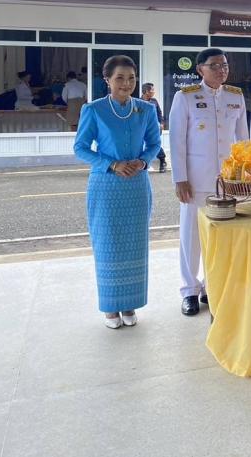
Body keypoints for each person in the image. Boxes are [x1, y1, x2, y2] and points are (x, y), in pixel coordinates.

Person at [73, 55, 161, 329]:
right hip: (106, 186)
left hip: (136, 185)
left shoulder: (145, 109)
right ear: (107, 81)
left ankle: (130, 304)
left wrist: (143, 161)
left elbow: (154, 144)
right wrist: (112, 164)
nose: (126, 83)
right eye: (119, 78)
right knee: (107, 244)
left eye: (131, 78)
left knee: (135, 245)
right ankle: (111, 307)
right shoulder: (94, 109)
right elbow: (80, 148)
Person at [169, 48, 248, 317]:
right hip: (196, 178)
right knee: (191, 236)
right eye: (214, 65)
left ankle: (210, 286)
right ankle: (189, 290)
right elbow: (177, 141)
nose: (221, 70)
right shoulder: (185, 97)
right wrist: (180, 178)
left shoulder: (235, 96)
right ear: (199, 69)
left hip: (227, 180)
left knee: (222, 235)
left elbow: (243, 141)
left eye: (224, 65)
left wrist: (243, 175)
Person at [140, 82, 167, 173]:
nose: (154, 92)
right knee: (139, 145)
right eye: (152, 90)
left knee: (155, 144)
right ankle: (142, 163)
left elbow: (159, 112)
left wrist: (161, 123)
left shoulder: (154, 101)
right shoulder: (138, 102)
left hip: (154, 127)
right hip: (142, 128)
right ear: (146, 91)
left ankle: (162, 161)